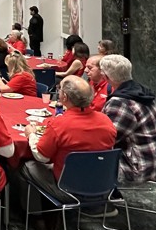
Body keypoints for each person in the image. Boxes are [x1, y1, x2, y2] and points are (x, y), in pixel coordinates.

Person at [20, 76, 118, 217]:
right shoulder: (106, 120)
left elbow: (41, 156)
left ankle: (36, 217)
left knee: (26, 165)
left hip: (68, 189)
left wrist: (31, 135)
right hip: (102, 186)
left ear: (64, 97)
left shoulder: (60, 124)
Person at [100, 54, 156, 183]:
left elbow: (107, 140)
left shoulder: (121, 102)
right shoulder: (140, 92)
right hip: (155, 162)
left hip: (137, 167)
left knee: (74, 160)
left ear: (106, 77)